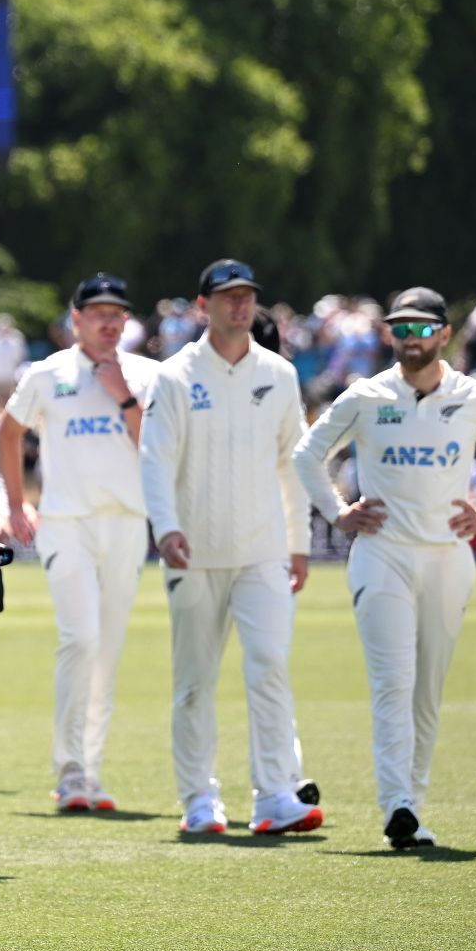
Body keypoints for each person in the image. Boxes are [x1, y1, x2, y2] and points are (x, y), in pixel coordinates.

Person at [292, 286, 476, 849]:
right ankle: (398, 807)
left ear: (445, 334)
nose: (411, 339)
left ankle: (412, 802)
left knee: (428, 689)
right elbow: (306, 454)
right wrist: (339, 513)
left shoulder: (474, 396)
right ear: (389, 334)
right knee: (393, 683)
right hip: (382, 554)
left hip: (447, 557)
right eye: (401, 329)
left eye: (422, 329)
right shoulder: (367, 395)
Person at [139, 259, 321, 836]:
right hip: (194, 551)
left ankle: (274, 795)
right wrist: (166, 528)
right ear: (203, 306)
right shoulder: (174, 376)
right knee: (195, 681)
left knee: (268, 667)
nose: (239, 306)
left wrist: (299, 543)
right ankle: (199, 798)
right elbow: (155, 462)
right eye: (227, 297)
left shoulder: (280, 374)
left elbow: (294, 465)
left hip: (262, 549)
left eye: (246, 297)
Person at [0, 273, 160, 813]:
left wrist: (124, 397)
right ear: (77, 320)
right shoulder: (49, 374)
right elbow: (9, 430)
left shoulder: (147, 374)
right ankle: (69, 771)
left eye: (118, 314)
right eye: (98, 313)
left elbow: (158, 448)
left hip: (126, 522)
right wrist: (17, 502)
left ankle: (91, 770)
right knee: (81, 639)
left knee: (108, 649)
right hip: (66, 522)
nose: (109, 323)